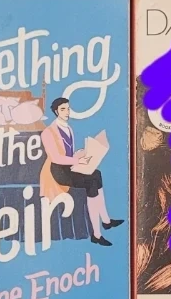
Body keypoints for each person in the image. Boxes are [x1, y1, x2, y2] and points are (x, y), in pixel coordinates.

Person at [41, 96, 123, 247]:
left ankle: (106, 220)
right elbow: (55, 157)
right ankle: (96, 234)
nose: (67, 112)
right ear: (56, 112)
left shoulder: (68, 128)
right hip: (58, 172)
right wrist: (76, 161)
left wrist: (78, 154)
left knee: (97, 174)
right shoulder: (48, 132)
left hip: (69, 166)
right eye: (63, 109)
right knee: (90, 182)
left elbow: (67, 153)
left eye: (68, 108)